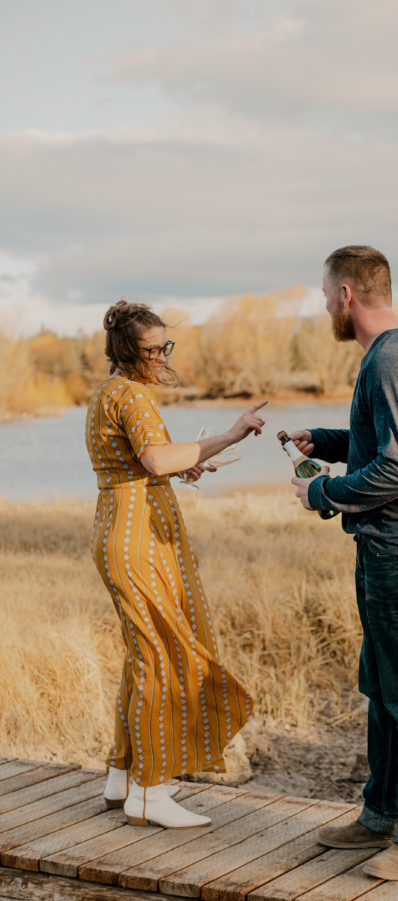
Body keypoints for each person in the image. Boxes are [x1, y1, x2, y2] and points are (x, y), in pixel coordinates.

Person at [289, 246, 398, 881]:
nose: (325, 305)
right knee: (384, 689)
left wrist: (324, 492)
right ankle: (380, 816)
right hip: (392, 547)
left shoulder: (389, 359)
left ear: (346, 296)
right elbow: (392, 442)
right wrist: (330, 441)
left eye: (325, 294)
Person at [86, 300, 267, 829]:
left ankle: (122, 775)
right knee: (161, 657)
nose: (164, 355)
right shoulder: (134, 397)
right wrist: (230, 434)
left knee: (143, 652)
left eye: (167, 345)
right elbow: (158, 458)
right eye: (155, 348)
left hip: (119, 526)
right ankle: (148, 792)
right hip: (137, 537)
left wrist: (183, 462)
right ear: (128, 352)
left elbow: (149, 461)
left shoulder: (108, 392)